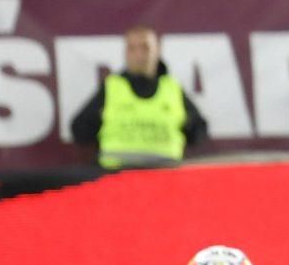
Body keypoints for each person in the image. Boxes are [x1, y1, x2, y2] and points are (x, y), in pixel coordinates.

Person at [71, 25, 209, 168]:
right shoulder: (112, 88)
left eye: (145, 47)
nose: (139, 54)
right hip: (118, 174)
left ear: (158, 50)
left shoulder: (172, 89)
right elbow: (79, 131)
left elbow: (199, 132)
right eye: (132, 48)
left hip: (164, 174)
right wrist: (98, 120)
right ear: (125, 53)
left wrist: (187, 123)